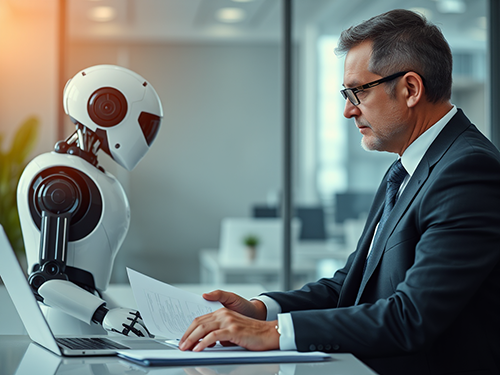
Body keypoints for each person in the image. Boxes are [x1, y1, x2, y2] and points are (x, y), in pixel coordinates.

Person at [179, 9, 500, 375]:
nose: (349, 110)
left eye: (358, 91)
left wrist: (273, 332)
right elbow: (352, 283)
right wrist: (261, 309)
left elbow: (410, 317)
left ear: (410, 89)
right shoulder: (405, 168)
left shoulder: (468, 170)